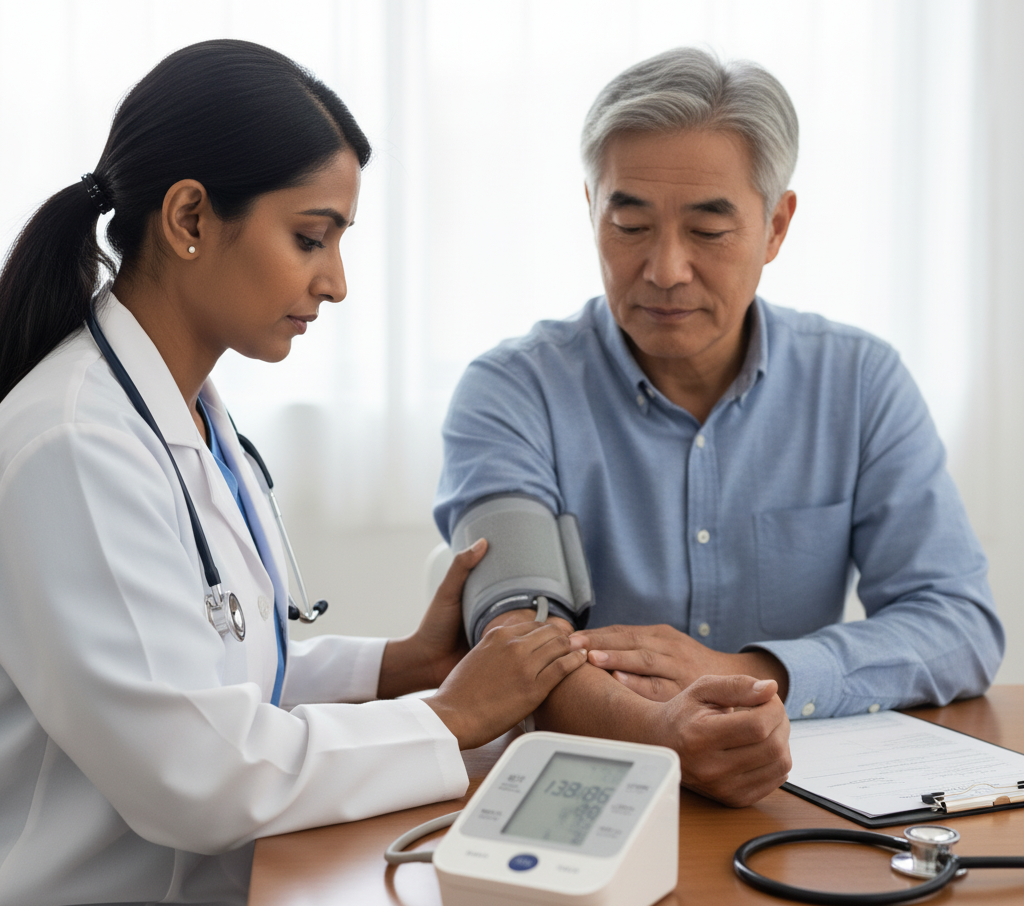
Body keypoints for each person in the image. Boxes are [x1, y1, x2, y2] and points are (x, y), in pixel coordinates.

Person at [0, 40, 588, 906]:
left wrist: (397, 666)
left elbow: (208, 674)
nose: (337, 283)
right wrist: (450, 715)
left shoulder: (190, 411)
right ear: (191, 219)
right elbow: (195, 770)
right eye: (311, 237)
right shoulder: (75, 444)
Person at [434, 47, 1004, 806]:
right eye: (630, 222)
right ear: (591, 211)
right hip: (584, 794)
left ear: (776, 226)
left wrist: (746, 670)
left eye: (708, 231)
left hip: (796, 798)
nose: (665, 269)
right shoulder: (510, 391)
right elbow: (518, 642)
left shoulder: (859, 381)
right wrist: (665, 728)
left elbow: (957, 622)